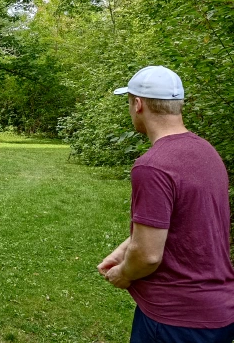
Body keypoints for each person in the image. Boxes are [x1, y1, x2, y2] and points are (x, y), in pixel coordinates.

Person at [98, 66, 234, 342]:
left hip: (175, 319)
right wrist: (122, 251)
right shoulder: (206, 152)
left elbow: (148, 256)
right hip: (220, 310)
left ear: (138, 104)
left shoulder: (152, 166)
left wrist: (123, 273)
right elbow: (180, 223)